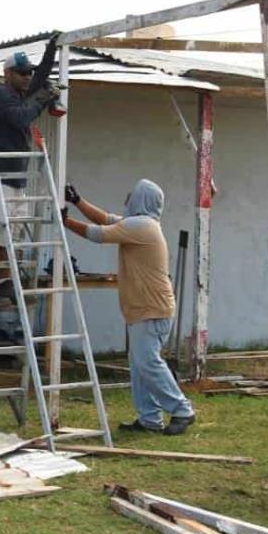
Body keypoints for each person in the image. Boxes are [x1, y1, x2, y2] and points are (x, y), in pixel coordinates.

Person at [61, 179, 196, 435]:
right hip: (144, 308)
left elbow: (97, 234)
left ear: (142, 199)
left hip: (151, 308)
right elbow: (105, 219)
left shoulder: (142, 226)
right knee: (139, 365)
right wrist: (77, 201)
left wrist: (65, 222)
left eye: (133, 193)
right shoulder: (138, 224)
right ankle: (149, 419)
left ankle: (182, 409)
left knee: (148, 363)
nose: (128, 196)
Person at [0, 50, 61, 300]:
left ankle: (3, 282)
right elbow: (21, 118)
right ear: (7, 73)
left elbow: (40, 76)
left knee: (9, 234)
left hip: (14, 174)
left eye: (28, 72)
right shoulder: (0, 95)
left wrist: (50, 49)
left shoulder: (20, 92)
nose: (27, 77)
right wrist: (44, 99)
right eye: (21, 72)